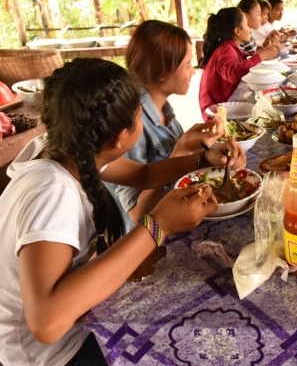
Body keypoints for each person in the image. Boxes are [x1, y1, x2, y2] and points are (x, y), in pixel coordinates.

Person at [0, 58, 246, 366]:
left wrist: (203, 159)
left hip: (80, 323)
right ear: (120, 137)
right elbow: (47, 324)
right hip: (57, 354)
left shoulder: (70, 146)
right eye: (139, 116)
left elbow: (144, 175)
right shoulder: (52, 191)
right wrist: (158, 226)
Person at [104, 20, 234, 228]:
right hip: (149, 241)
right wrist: (182, 150)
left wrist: (210, 149)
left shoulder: (165, 112)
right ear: (163, 71)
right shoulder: (129, 124)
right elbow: (138, 216)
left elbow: (182, 166)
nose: (193, 71)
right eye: (187, 64)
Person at [199, 7, 280, 114]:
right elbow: (232, 74)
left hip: (226, 101)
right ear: (237, 31)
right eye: (246, 25)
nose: (249, 28)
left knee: (266, 99)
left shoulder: (229, 47)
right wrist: (261, 56)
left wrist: (262, 53)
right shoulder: (225, 50)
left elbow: (245, 58)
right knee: (267, 105)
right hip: (217, 110)